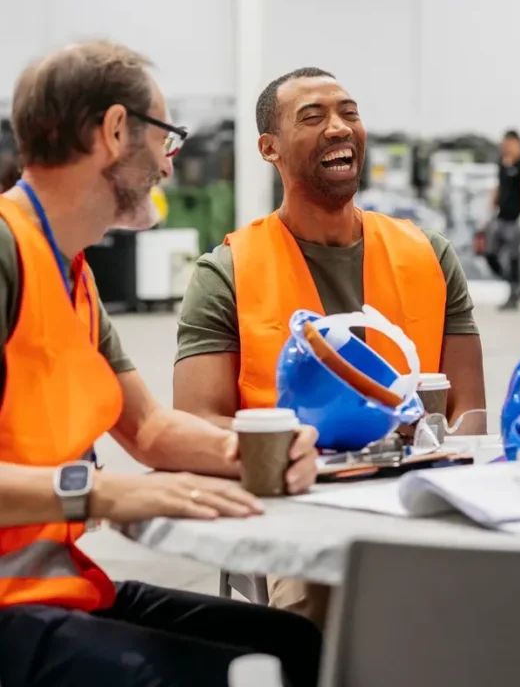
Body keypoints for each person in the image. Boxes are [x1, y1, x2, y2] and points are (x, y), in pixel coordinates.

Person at [0, 42, 322, 687]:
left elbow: (147, 428)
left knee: (295, 645)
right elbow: (125, 469)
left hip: (52, 592)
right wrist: (106, 492)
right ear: (116, 131)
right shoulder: (7, 253)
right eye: (166, 137)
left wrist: (259, 450)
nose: (169, 165)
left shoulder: (72, 274)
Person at [173, 66, 486, 626]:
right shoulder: (227, 272)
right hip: (299, 504)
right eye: (312, 117)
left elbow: (471, 409)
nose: (339, 127)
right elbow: (196, 421)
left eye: (349, 112)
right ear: (269, 148)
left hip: (419, 491)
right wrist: (284, 454)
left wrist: (440, 472)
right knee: (328, 604)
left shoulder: (429, 256)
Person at [486, 129, 520, 311]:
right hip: (501, 217)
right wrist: (491, 208)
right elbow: (498, 187)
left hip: (516, 220)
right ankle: (510, 283)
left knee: (514, 258)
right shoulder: (501, 163)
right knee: (491, 254)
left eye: (510, 144)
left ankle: (514, 294)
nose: (507, 148)